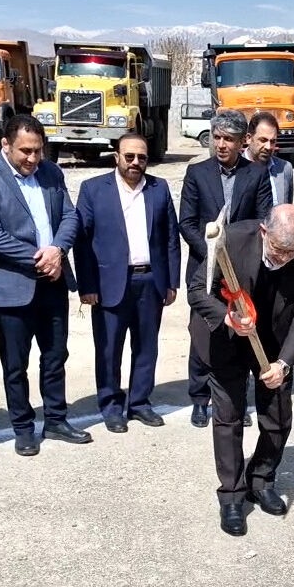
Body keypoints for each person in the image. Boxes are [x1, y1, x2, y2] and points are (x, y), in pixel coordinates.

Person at [188, 205, 294, 536]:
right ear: (264, 232)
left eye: (292, 251)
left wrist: (284, 363)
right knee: (229, 418)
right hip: (226, 337)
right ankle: (232, 496)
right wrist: (227, 318)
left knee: (278, 417)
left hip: (273, 343)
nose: (284, 258)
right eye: (278, 249)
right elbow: (197, 290)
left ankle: (261, 480)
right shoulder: (231, 241)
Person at [0, 114, 91, 456]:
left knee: (55, 356)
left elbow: (70, 216)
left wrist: (58, 250)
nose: (33, 158)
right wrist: (42, 257)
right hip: (14, 287)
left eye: (38, 150)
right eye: (26, 151)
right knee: (15, 364)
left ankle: (56, 419)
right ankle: (23, 428)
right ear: (5, 144)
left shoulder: (51, 173)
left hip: (53, 281)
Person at [75, 133, 181, 432]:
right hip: (108, 283)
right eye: (129, 156)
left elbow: (170, 237)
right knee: (109, 349)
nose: (135, 162)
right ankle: (111, 405)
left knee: (146, 346)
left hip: (150, 280)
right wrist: (87, 286)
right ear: (117, 157)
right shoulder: (93, 189)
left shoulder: (159, 188)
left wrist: (171, 281)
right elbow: (82, 242)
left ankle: (139, 403)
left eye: (141, 157)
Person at [179, 109, 273, 427]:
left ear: (242, 141)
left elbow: (262, 220)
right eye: (217, 137)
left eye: (228, 139)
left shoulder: (256, 174)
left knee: (239, 332)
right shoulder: (197, 173)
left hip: (241, 270)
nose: (221, 144)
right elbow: (187, 222)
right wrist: (211, 252)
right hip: (204, 267)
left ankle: (237, 400)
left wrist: (235, 255)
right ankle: (199, 399)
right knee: (202, 332)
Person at [245, 112, 294, 206]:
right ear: (249, 138)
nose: (268, 147)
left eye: (273, 141)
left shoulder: (285, 169)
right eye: (263, 140)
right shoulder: (236, 169)